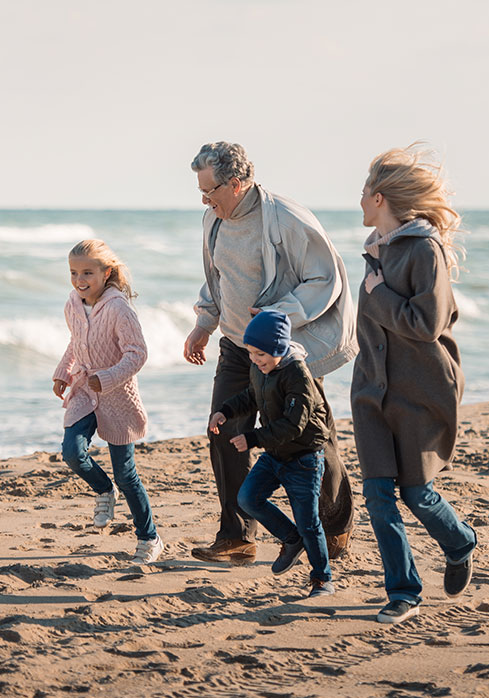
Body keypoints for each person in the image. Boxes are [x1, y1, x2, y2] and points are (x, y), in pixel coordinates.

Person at [184, 142, 358, 566]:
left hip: (286, 351)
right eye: (201, 192)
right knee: (223, 430)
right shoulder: (214, 221)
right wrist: (203, 325)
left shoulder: (286, 218)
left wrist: (281, 314)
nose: (204, 200)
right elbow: (218, 280)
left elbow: (324, 277)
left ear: (237, 183)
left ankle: (334, 525)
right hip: (235, 345)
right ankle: (237, 537)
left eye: (210, 191)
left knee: (311, 439)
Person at [352, 145, 477, 624]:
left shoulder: (424, 250)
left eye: (363, 193)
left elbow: (426, 324)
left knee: (416, 492)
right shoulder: (375, 250)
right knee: (379, 495)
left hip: (421, 388)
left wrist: (379, 294)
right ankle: (404, 592)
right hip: (371, 390)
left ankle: (459, 540)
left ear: (380, 198)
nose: (359, 201)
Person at [208, 310, 335, 598]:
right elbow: (252, 395)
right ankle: (292, 539)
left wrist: (252, 438)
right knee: (247, 498)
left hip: (304, 458)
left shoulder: (299, 376)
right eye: (251, 353)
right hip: (276, 454)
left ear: (279, 348)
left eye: (261, 354)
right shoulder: (260, 368)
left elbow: (294, 425)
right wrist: (224, 412)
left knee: (309, 522)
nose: (255, 359)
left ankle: (322, 579)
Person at [53, 239, 163, 565]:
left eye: (87, 272)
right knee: (72, 452)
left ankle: (149, 538)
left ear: (107, 272)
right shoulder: (73, 303)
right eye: (74, 272)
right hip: (85, 390)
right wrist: (62, 372)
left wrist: (110, 377)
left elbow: (137, 354)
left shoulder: (118, 308)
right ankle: (103, 490)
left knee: (126, 473)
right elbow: (76, 341)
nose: (79, 279)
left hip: (117, 397)